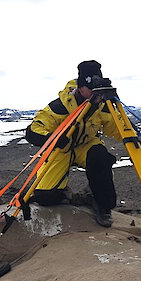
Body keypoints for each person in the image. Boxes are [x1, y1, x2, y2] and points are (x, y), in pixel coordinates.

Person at [25, 61, 122, 227]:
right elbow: (33, 131)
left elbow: (116, 130)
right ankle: (69, 195)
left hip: (87, 145)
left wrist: (117, 110)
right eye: (91, 90)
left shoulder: (102, 104)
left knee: (100, 156)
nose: (94, 95)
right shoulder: (62, 104)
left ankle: (101, 204)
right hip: (63, 148)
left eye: (97, 91)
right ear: (81, 86)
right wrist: (54, 139)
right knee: (45, 197)